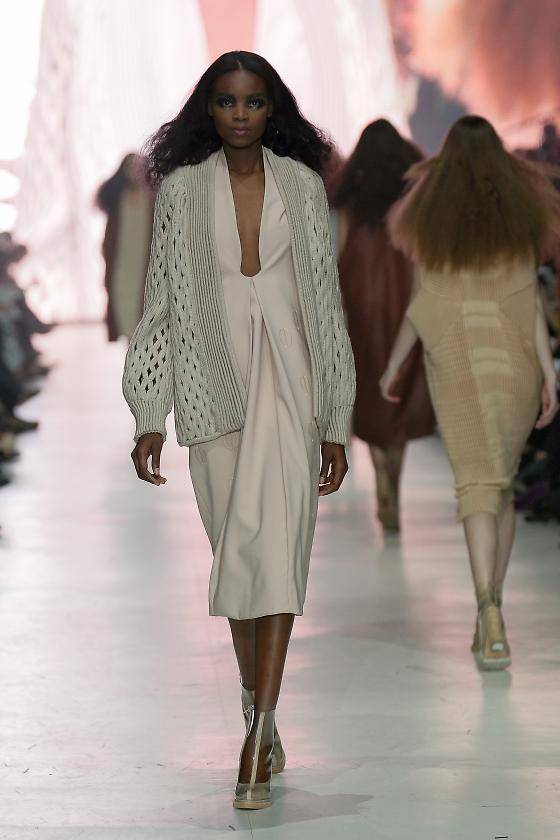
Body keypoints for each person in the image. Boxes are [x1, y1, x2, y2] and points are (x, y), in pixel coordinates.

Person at [122, 51, 356, 808]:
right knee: (236, 554)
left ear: (272, 108)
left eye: (253, 102)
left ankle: (259, 733)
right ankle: (257, 704)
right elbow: (161, 301)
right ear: (209, 109)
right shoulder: (182, 190)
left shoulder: (302, 186)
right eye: (226, 102)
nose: (241, 115)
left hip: (292, 387)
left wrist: (336, 418)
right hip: (213, 388)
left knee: (278, 554)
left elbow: (324, 303)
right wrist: (149, 413)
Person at [380, 115, 560, 670]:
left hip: (455, 361)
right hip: (513, 365)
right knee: (499, 485)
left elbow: (423, 305)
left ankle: (487, 608)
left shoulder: (433, 227)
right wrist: (549, 374)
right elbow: (529, 302)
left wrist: (394, 367)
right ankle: (493, 610)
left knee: (475, 486)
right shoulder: (518, 222)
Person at [334, 120, 434, 531]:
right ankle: (393, 476)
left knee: (370, 398)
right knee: (399, 395)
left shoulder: (348, 204)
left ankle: (381, 481)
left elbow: (335, 261)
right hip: (405, 306)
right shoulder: (414, 202)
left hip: (361, 308)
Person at [96, 154, 154, 342]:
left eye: (139, 166)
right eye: (130, 166)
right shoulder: (118, 199)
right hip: (121, 266)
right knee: (125, 311)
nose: (135, 171)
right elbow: (109, 236)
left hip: (146, 265)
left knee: (143, 309)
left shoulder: (154, 198)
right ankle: (132, 353)